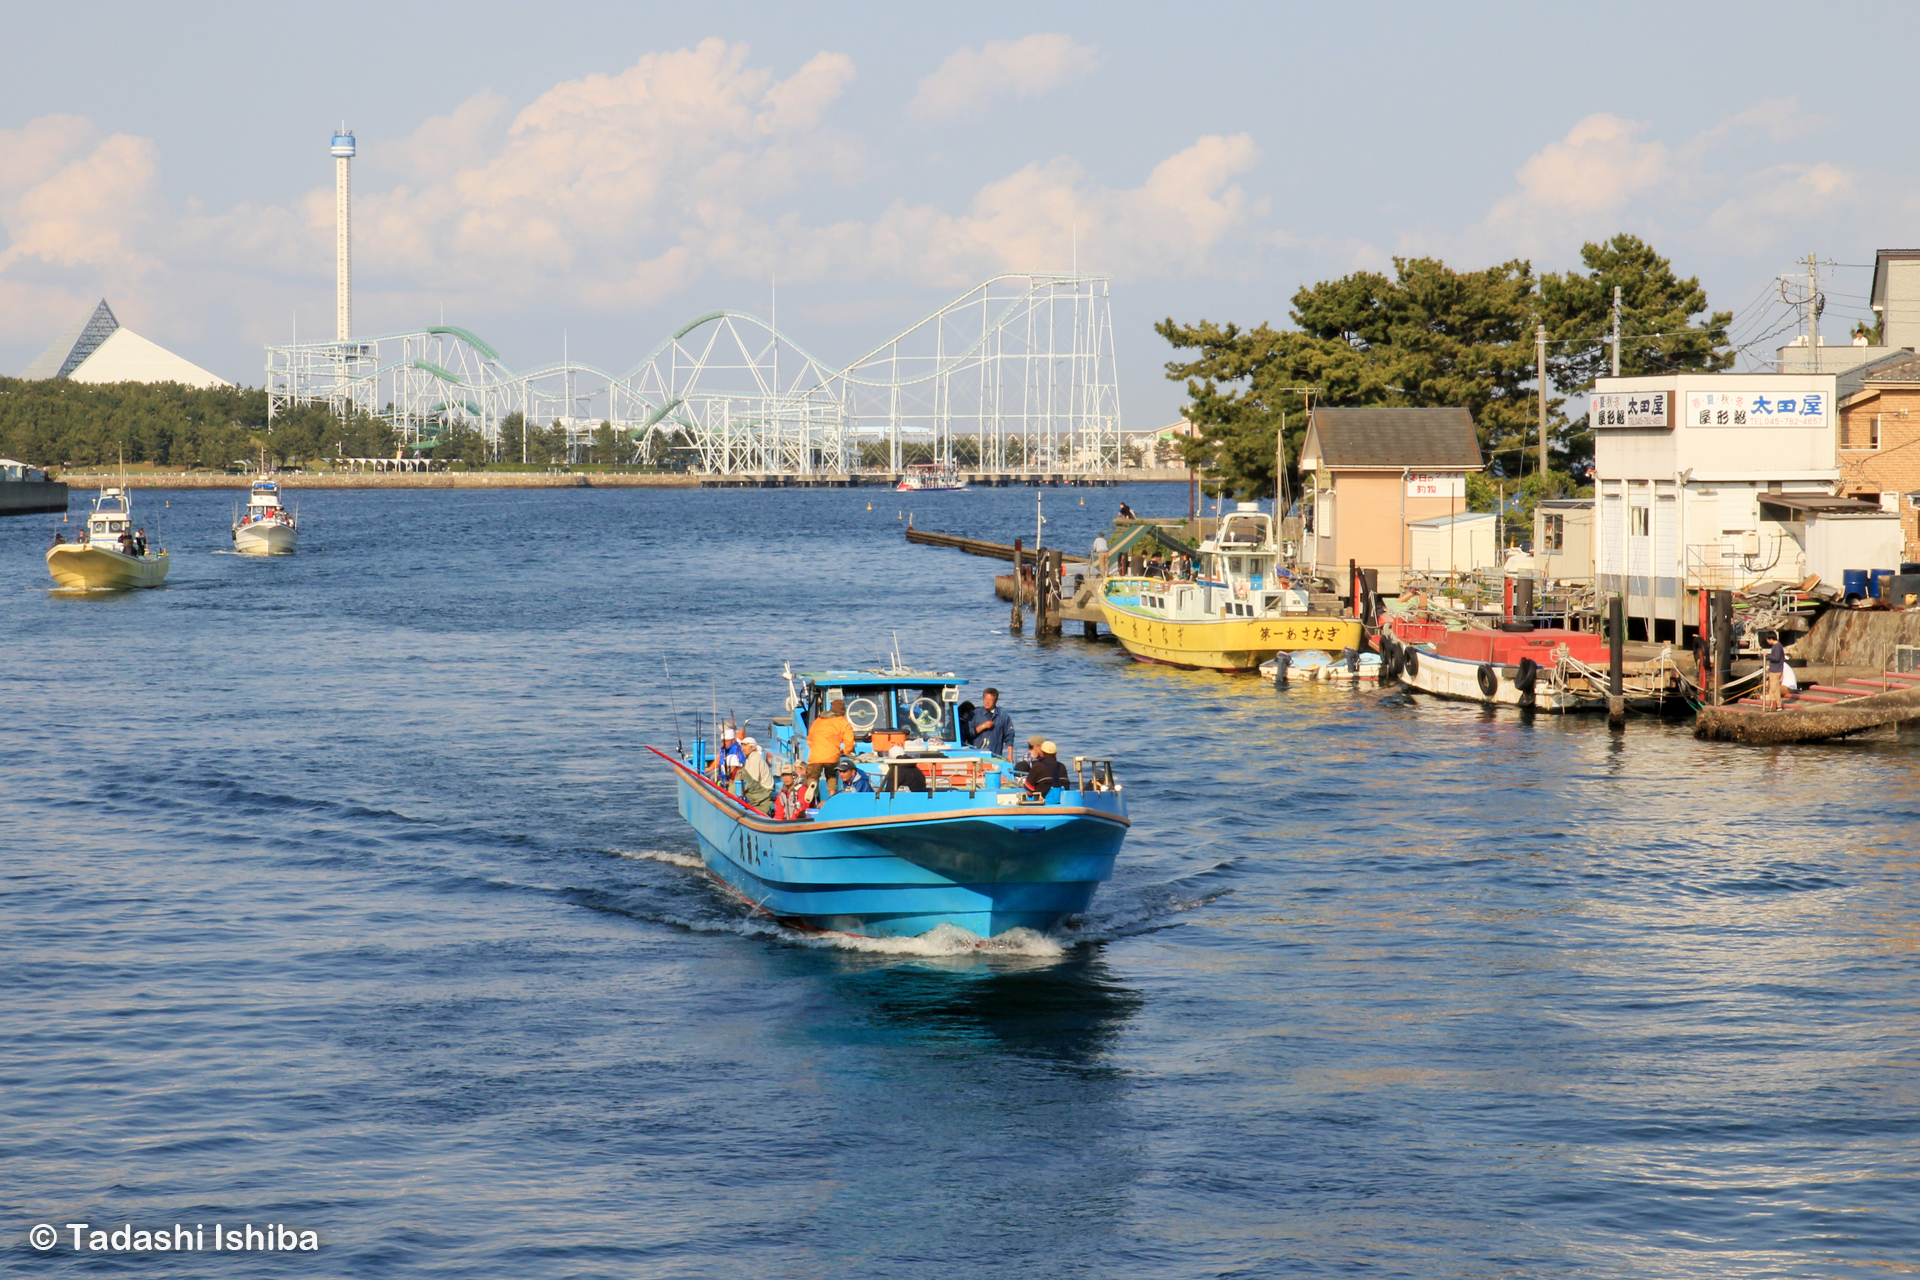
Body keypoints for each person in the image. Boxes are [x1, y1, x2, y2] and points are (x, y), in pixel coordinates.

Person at [806, 698, 855, 797]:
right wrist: (844, 751)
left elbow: (810, 739)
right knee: (831, 777)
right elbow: (850, 741)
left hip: (816, 755)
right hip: (832, 756)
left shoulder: (819, 720)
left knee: (812, 776)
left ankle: (813, 787)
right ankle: (832, 796)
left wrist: (815, 749)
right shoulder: (842, 721)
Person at [968, 687, 1015, 759]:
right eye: (985, 699)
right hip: (977, 755)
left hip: (995, 756)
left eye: (990, 700)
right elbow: (968, 733)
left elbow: (1009, 737)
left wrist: (1010, 755)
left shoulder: (1003, 716)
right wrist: (983, 726)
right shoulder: (975, 714)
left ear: (995, 701)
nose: (987, 702)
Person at [739, 737, 776, 814]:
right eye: (742, 745)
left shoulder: (755, 758)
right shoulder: (748, 758)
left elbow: (753, 781)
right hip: (757, 788)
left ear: (753, 747)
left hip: (764, 790)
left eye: (745, 745)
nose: (743, 748)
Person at [1763, 630, 1787, 711]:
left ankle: (1778, 705)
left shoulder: (1776, 647)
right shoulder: (1778, 646)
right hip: (1776, 669)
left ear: (1770, 639)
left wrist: (1767, 655)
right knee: (1772, 688)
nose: (1767, 641)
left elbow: (1776, 658)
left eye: (1767, 640)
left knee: (1774, 689)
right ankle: (1774, 702)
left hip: (1775, 671)